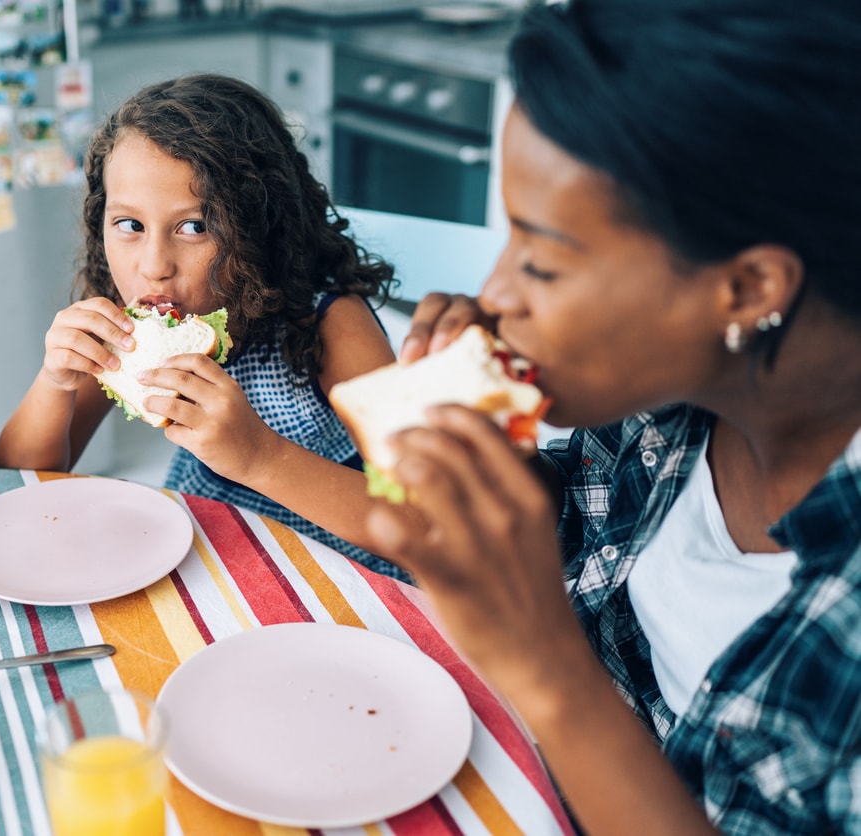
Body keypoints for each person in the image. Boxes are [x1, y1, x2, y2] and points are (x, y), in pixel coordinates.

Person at [366, 0, 861, 833]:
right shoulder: (673, 400)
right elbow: (583, 525)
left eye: (544, 262)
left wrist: (551, 670)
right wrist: (491, 456)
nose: (496, 295)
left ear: (746, 290)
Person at [0, 73, 408, 580]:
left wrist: (260, 456)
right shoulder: (127, 331)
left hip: (337, 587)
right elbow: (16, 479)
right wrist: (54, 384)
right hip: (201, 568)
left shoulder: (332, 324)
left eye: (194, 227)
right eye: (130, 225)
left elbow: (420, 518)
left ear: (261, 226)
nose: (153, 266)